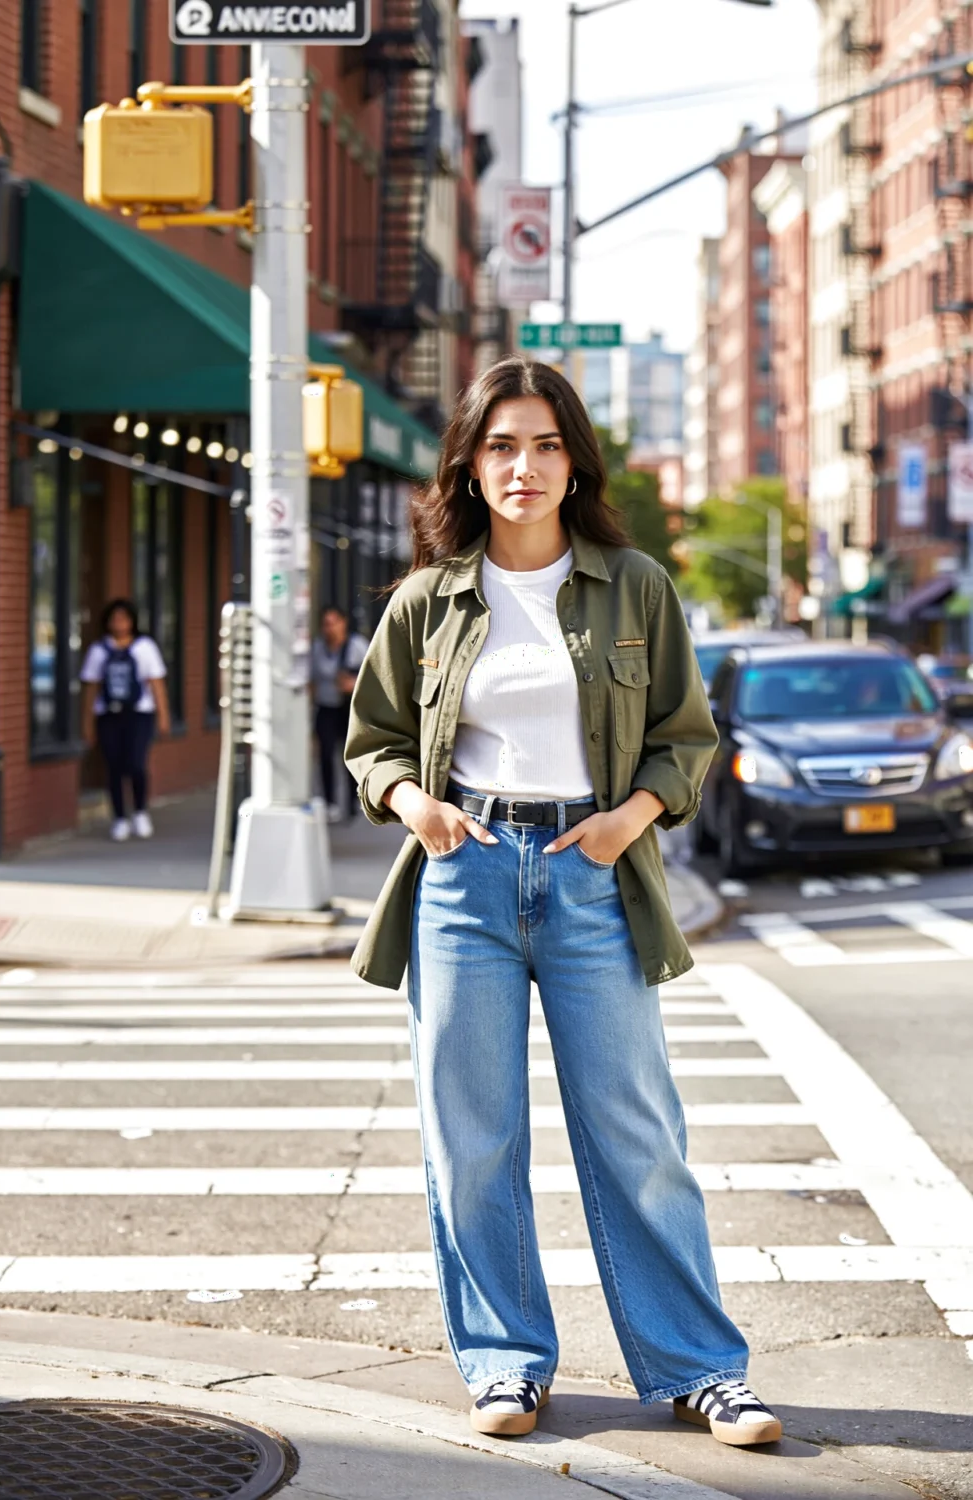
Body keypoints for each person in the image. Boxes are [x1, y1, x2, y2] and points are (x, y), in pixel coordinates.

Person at [345, 358, 781, 1448]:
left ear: (573, 460)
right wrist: (415, 806)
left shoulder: (633, 585)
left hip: (594, 873)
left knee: (637, 1132)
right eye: (500, 446)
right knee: (471, 1138)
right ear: (470, 463)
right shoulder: (428, 600)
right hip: (465, 874)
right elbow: (370, 743)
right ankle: (503, 1365)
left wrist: (629, 819)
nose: (522, 466)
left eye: (543, 445)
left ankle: (700, 1371)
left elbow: (687, 736)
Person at [81, 599, 170, 842]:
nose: (119, 624)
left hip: (139, 713)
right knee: (114, 767)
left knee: (136, 763)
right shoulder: (99, 650)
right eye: (115, 619)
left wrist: (164, 716)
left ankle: (140, 812)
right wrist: (87, 723)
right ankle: (119, 818)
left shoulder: (145, 647)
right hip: (109, 714)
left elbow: (156, 683)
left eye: (124, 618)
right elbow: (91, 688)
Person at [312, 605, 367, 821]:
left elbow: (373, 674)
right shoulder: (317, 648)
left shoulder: (356, 646)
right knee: (325, 754)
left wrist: (353, 683)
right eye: (325, 624)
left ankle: (354, 801)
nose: (329, 629)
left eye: (333, 623)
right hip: (326, 707)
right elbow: (311, 678)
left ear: (343, 623)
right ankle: (329, 802)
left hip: (349, 708)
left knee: (350, 756)